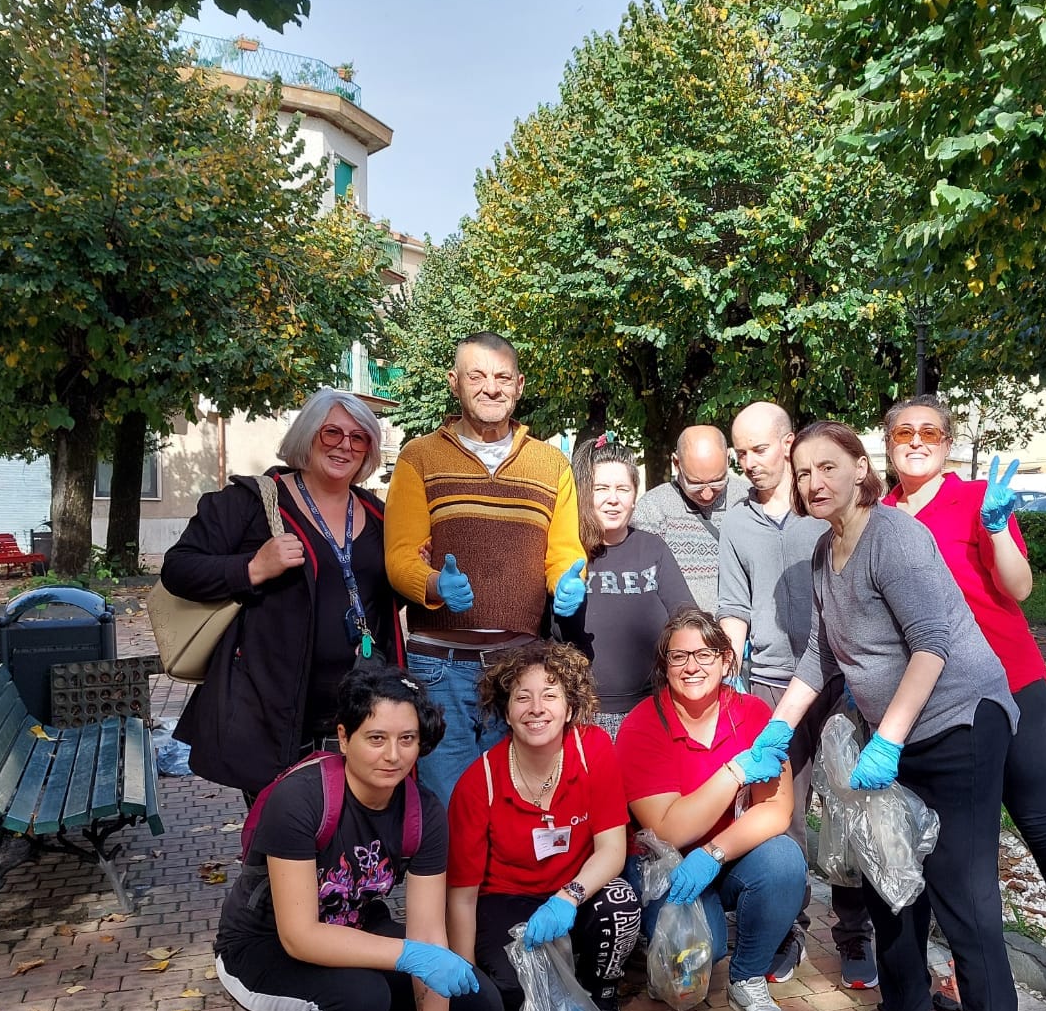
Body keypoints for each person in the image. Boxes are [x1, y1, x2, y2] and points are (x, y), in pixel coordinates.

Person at [751, 421, 1031, 1011]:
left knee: (962, 890)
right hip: (896, 734)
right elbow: (821, 654)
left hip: (961, 723)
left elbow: (932, 646)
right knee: (887, 875)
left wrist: (889, 742)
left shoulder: (894, 538)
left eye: (828, 467)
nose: (815, 482)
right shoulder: (825, 552)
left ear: (858, 467)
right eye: (803, 471)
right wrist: (776, 729)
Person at [883, 397, 1046, 1011]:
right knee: (960, 836)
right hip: (937, 699)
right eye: (904, 431)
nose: (916, 441)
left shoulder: (980, 497)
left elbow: (1019, 588)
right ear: (888, 443)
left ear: (948, 443)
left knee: (1034, 815)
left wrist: (993, 530)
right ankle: (974, 958)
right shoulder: (881, 516)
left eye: (929, 431)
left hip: (1010, 682)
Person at [214, 668, 503, 1011]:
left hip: (351, 933)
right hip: (261, 948)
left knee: (479, 1007)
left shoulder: (423, 811)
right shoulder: (301, 800)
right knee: (362, 997)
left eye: (407, 739)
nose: (393, 755)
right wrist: (412, 955)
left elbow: (428, 932)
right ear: (344, 738)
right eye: (376, 738)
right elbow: (301, 936)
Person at [163, 387, 403, 802]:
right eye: (332, 433)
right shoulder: (252, 502)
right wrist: (252, 568)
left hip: (359, 711)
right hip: (272, 712)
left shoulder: (380, 516)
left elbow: (382, 599)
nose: (344, 445)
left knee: (349, 835)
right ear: (307, 435)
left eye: (358, 437)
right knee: (280, 839)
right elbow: (179, 569)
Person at [385, 331, 588, 804]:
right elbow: (398, 556)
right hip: (439, 667)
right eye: (477, 376)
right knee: (446, 809)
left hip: (519, 668)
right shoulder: (420, 457)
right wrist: (433, 583)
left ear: (519, 385)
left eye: (501, 377)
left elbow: (563, 551)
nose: (491, 388)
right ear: (455, 384)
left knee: (515, 805)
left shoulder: (551, 463)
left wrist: (566, 581)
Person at [720, 401, 877, 989]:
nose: (749, 462)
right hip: (769, 688)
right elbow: (734, 607)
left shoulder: (828, 508)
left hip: (838, 685)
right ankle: (787, 931)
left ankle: (854, 933)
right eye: (741, 452)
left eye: (758, 449)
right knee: (781, 819)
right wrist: (726, 669)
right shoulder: (736, 522)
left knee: (847, 813)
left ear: (787, 444)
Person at [615, 608, 807, 1011]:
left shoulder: (755, 714)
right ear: (664, 667)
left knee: (784, 861)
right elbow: (668, 831)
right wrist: (736, 772)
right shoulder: (643, 725)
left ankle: (748, 977)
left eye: (704, 655)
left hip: (725, 855)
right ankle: (651, 946)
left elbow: (776, 811)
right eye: (679, 657)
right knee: (696, 960)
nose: (692, 667)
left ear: (726, 661)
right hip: (665, 865)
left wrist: (713, 852)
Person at [446, 641, 640, 1011]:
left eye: (550, 695)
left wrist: (568, 897)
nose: (537, 708)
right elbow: (461, 897)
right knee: (509, 993)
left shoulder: (593, 750)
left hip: (576, 890)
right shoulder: (476, 782)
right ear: (506, 711)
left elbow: (612, 850)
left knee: (621, 904)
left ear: (569, 708)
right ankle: (542, 998)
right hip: (507, 896)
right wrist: (464, 1001)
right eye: (523, 697)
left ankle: (601, 996)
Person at [557, 435, 695, 736]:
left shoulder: (653, 549)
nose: (613, 498)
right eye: (601, 489)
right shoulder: (563, 552)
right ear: (583, 493)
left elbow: (687, 618)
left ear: (635, 496)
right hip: (578, 714)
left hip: (649, 712)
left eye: (623, 489)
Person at [632, 425, 749, 612]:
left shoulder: (749, 500)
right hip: (681, 634)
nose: (707, 494)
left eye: (717, 481)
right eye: (695, 484)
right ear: (676, 463)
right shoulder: (652, 509)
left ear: (728, 459)